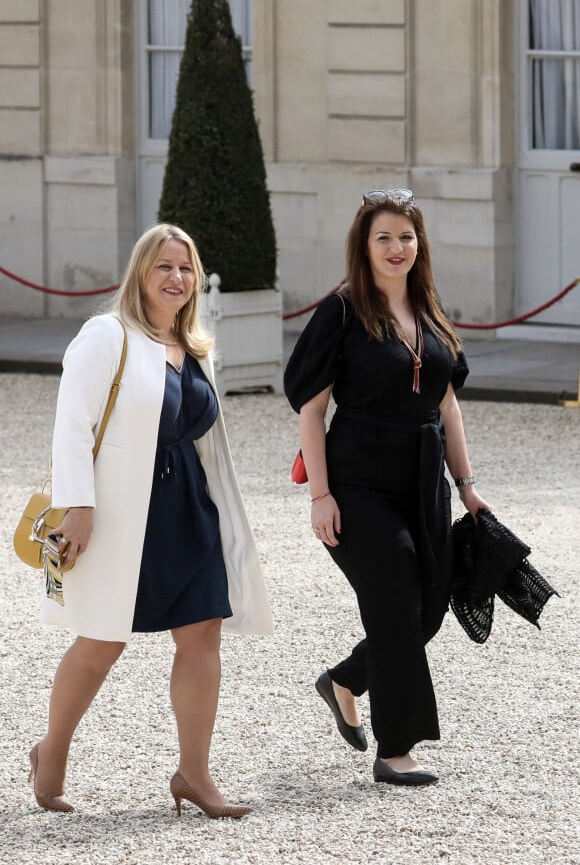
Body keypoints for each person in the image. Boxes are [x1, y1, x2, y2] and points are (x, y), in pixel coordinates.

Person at [28, 223, 272, 818]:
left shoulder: (194, 346)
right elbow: (72, 423)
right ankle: (51, 753)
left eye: (186, 268)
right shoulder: (106, 335)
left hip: (188, 508)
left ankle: (194, 774)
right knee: (101, 641)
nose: (177, 278)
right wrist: (78, 506)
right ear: (140, 272)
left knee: (202, 632)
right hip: (119, 511)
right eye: (164, 266)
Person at [284, 189, 490, 786]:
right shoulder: (343, 311)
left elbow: (448, 406)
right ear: (364, 246)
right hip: (357, 481)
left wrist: (467, 486)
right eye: (384, 237)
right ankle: (395, 750)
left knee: (424, 612)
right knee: (397, 596)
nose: (396, 248)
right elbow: (310, 412)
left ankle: (346, 679)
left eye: (406, 236)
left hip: (424, 481)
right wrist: (320, 495)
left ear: (418, 244)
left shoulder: (429, 309)